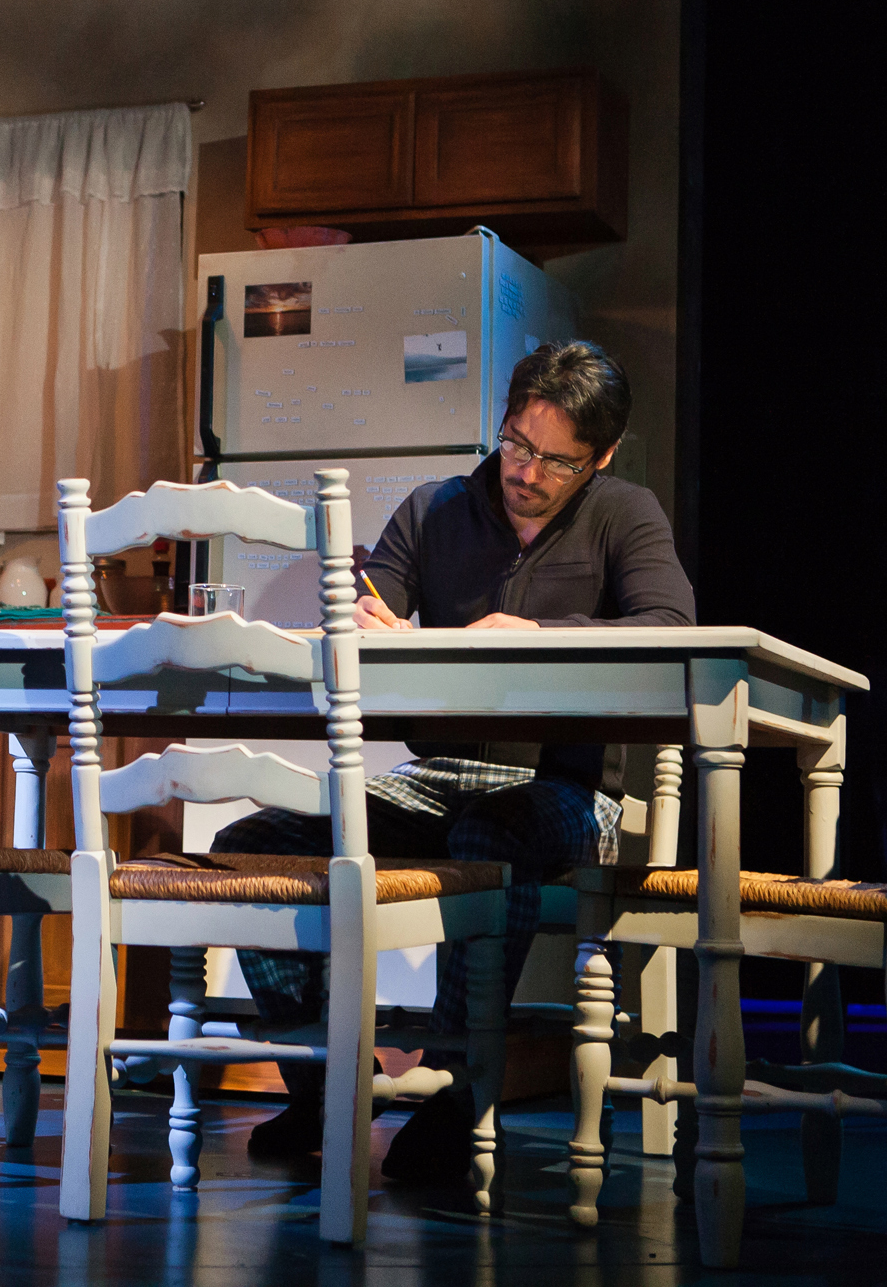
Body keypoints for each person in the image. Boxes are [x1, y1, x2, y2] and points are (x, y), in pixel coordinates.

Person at [213, 339, 694, 1180]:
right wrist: (362, 623)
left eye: (556, 461)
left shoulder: (626, 514)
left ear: (601, 457)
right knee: (252, 845)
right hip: (434, 784)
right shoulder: (435, 508)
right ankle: (325, 1082)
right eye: (516, 444)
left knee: (491, 833)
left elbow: (673, 629)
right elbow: (369, 611)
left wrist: (540, 633)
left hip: (567, 791)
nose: (526, 472)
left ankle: (458, 1087)